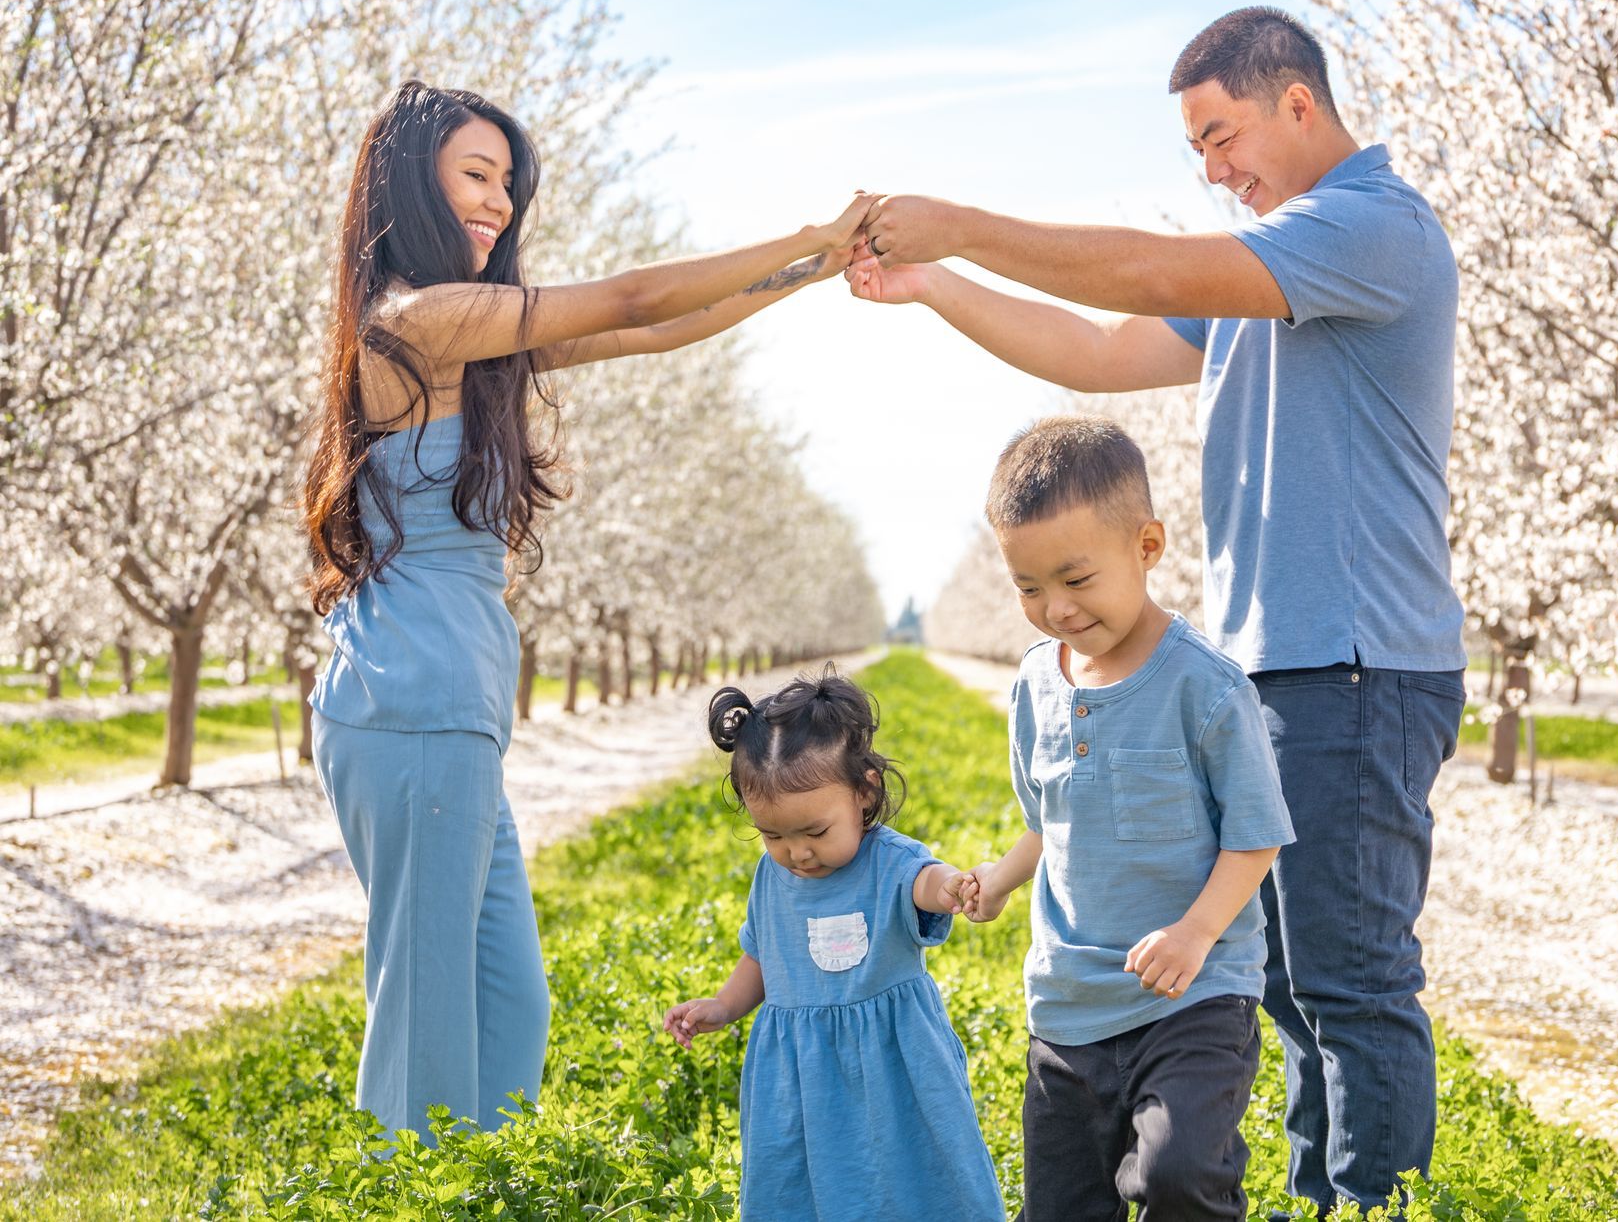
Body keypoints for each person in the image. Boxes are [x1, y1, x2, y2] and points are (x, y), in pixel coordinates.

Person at [845, 8, 1468, 1214]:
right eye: (1195, 148)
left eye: (1221, 135)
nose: (1213, 170)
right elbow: (1092, 347)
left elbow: (1142, 269)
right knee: (1281, 986)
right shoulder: (1274, 267)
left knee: (1349, 986)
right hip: (1271, 670)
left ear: (1298, 102)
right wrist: (934, 284)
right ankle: (1321, 1195)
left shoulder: (1368, 227)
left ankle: (1378, 1205)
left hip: (1351, 664)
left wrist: (967, 220)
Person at [303, 79, 875, 1144]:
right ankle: (409, 1199)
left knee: (512, 1006)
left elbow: (655, 331)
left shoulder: (471, 338)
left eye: (509, 186)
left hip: (452, 714)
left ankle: (475, 1191)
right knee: (429, 1024)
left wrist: (808, 272)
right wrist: (805, 228)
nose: (499, 205)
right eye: (476, 176)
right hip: (411, 708)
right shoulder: (417, 322)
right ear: (407, 182)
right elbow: (623, 298)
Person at [946, 417, 1292, 1220]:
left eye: (1075, 579)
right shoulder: (1036, 684)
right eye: (1028, 587)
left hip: (1193, 996)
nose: (1055, 608)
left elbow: (1256, 832)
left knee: (1178, 1177)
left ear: (1146, 546)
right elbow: (1050, 817)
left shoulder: (1204, 687)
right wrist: (999, 880)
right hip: (1069, 1002)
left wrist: (1197, 932)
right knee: (1063, 1204)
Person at [663, 671, 1004, 1220]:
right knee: (800, 1187)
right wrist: (725, 1006)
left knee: (913, 1180)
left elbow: (927, 881)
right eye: (773, 835)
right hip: (797, 1076)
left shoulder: (888, 861)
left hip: (892, 1067)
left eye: (815, 833)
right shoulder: (771, 879)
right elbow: (762, 954)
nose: (797, 853)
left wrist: (954, 887)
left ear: (864, 791)